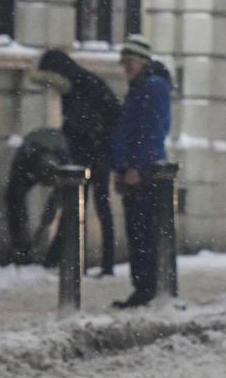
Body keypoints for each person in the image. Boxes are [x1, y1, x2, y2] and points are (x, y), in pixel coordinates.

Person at [30, 49, 122, 275]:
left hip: (93, 152)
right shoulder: (83, 82)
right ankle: (87, 259)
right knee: (90, 206)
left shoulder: (78, 86)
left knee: (80, 205)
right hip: (94, 151)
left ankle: (61, 257)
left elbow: (81, 122)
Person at [110, 35, 172, 309]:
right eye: (125, 62)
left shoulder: (152, 87)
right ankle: (143, 286)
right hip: (135, 170)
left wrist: (136, 167)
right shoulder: (141, 87)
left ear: (142, 61)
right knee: (138, 231)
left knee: (143, 232)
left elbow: (150, 132)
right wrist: (121, 166)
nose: (127, 67)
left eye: (131, 61)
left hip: (143, 173)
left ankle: (147, 287)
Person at [4, 128, 72, 265]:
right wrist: (22, 228)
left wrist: (44, 223)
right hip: (32, 159)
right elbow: (14, 195)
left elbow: (55, 202)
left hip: (53, 160)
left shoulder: (63, 159)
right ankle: (21, 246)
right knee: (14, 199)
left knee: (69, 205)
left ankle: (54, 255)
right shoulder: (25, 158)